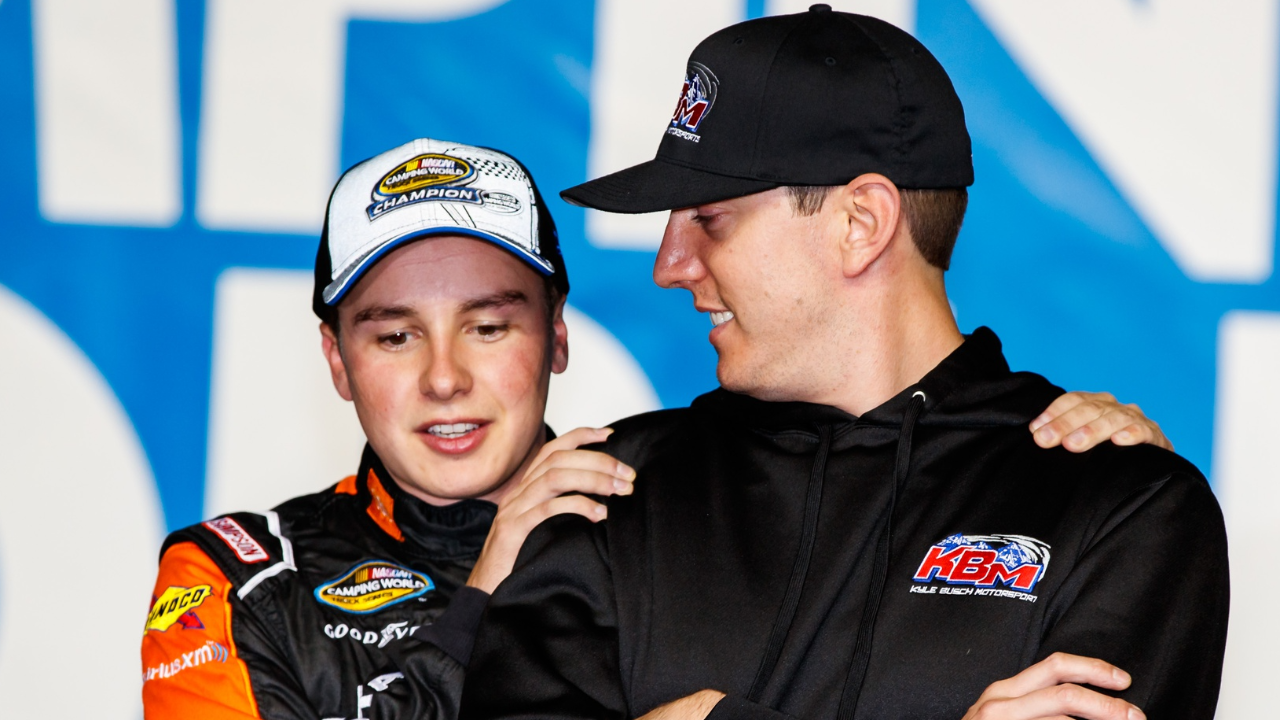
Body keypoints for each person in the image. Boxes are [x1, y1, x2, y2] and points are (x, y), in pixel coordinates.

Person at [139, 137, 1165, 718]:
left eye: (489, 325)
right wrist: (488, 599)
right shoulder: (236, 578)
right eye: (393, 335)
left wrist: (1047, 463)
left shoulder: (678, 509)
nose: (445, 378)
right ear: (335, 361)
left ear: (555, 340)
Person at [460, 8, 1228, 720]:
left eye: (709, 219)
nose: (670, 264)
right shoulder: (610, 489)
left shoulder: (1123, 505)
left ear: (861, 222)